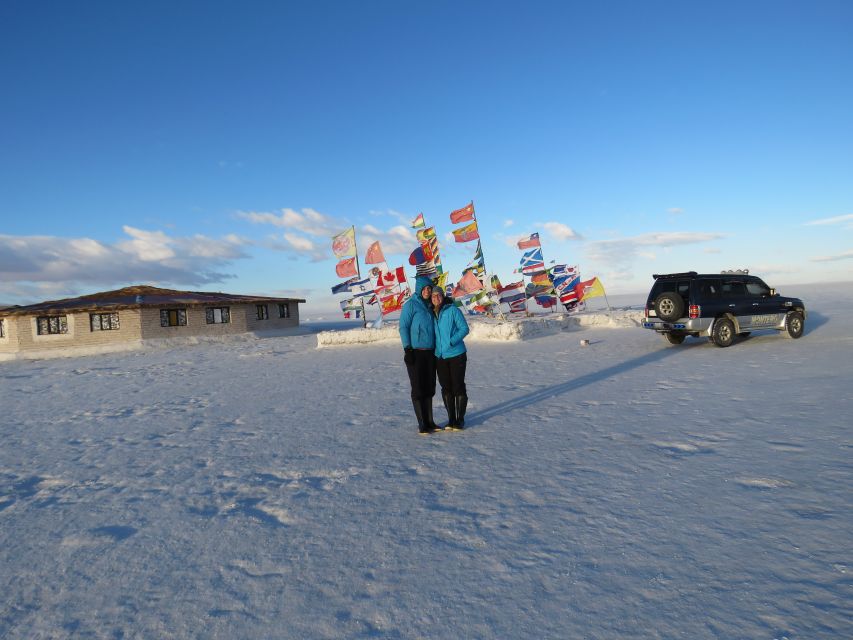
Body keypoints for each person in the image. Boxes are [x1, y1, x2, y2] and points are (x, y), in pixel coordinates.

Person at [398, 276, 439, 434]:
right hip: (415, 353)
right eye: (425, 288)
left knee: (429, 387)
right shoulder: (410, 306)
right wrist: (407, 348)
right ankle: (422, 423)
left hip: (430, 353)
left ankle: (430, 421)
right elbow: (403, 327)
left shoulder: (431, 306)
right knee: (418, 387)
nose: (428, 291)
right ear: (419, 289)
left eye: (430, 288)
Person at [431, 287, 470, 430]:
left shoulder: (452, 310)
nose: (436, 298)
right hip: (440, 356)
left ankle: (460, 419)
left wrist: (451, 342)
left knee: (458, 386)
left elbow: (464, 328)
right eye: (433, 296)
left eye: (438, 295)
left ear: (443, 296)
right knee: (446, 388)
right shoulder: (432, 313)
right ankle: (451, 419)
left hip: (456, 355)